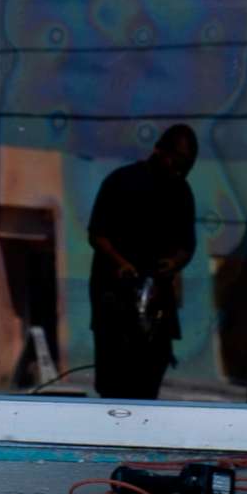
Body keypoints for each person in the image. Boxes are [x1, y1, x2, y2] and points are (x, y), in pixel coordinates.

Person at [84, 125, 199, 400]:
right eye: (177, 160)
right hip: (115, 299)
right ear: (160, 150)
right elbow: (97, 234)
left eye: (186, 164)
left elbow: (187, 245)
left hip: (156, 302)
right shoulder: (121, 181)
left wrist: (173, 263)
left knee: (149, 380)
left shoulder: (182, 192)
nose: (179, 169)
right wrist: (120, 263)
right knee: (114, 386)